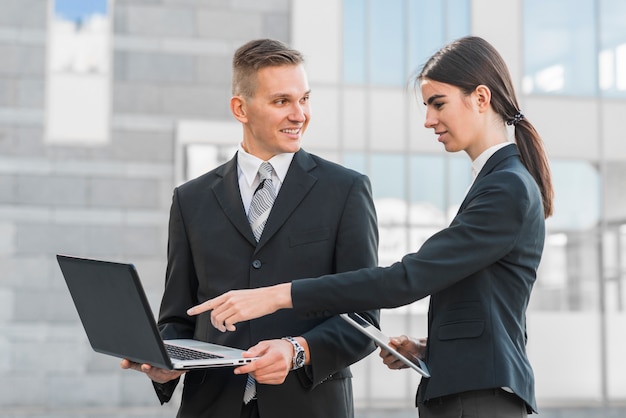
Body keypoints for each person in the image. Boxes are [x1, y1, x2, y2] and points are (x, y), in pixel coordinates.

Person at [188, 36, 554, 417]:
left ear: (481, 98)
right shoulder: (497, 182)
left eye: (438, 103)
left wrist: (280, 295)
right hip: (470, 392)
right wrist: (430, 347)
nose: (429, 119)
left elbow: (406, 279)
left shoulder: (506, 186)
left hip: (478, 399)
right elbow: (487, 307)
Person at [120, 38, 380, 418]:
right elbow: (179, 317)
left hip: (309, 406)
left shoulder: (346, 191)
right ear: (240, 108)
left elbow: (364, 319)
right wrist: (163, 363)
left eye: (304, 99)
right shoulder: (191, 200)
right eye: (281, 101)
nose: (299, 114)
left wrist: (297, 351)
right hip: (211, 407)